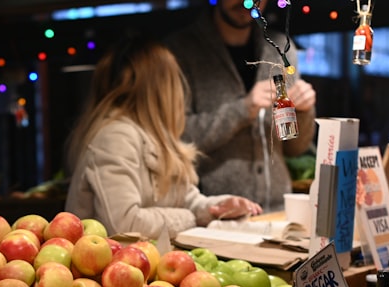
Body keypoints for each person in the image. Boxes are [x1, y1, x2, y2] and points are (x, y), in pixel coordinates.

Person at [65, 37, 263, 240]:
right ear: (163, 88)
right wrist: (192, 218)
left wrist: (217, 207)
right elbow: (123, 224)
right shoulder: (115, 136)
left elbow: (188, 200)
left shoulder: (154, 135)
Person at [165, 0, 317, 210]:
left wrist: (302, 111)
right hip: (215, 211)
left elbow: (294, 146)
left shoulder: (280, 48)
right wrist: (243, 109)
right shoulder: (180, 50)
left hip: (278, 209)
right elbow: (176, 138)